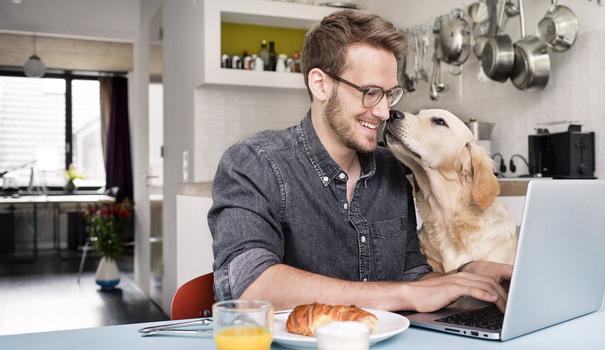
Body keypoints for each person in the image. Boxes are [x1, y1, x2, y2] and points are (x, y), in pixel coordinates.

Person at [208, 10, 512, 313]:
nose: (382, 112)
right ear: (320, 84)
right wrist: (404, 295)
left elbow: (411, 274)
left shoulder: (392, 170)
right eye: (369, 92)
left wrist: (464, 276)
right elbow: (251, 285)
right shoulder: (253, 163)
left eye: (389, 94)